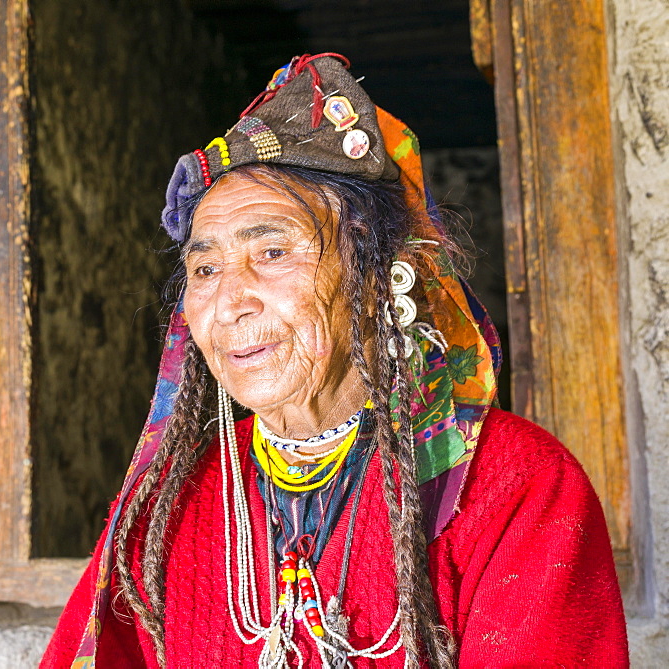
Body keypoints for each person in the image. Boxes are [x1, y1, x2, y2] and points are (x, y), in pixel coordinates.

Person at [42, 54, 628, 668]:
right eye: (206, 267)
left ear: (374, 277)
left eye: (271, 251)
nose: (229, 301)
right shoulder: (169, 501)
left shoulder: (513, 485)